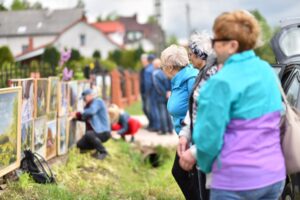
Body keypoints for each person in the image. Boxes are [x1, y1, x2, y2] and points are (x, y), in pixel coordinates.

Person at [181, 10, 286, 200]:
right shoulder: (266, 71)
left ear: (232, 45)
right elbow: (280, 114)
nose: (213, 47)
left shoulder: (221, 82)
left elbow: (209, 138)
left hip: (236, 181)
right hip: (273, 176)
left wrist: (196, 159)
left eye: (216, 42)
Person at [177, 32, 217, 200]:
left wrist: (196, 150)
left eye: (191, 54)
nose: (189, 57)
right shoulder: (203, 72)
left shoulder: (211, 75)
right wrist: (186, 134)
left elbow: (213, 117)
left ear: (201, 54)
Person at [160, 44, 199, 199]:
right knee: (184, 174)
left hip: (195, 138)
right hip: (185, 137)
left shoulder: (191, 79)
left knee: (183, 174)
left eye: (162, 66)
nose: (162, 69)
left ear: (169, 67)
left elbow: (199, 108)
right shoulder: (179, 79)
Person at [70, 89, 111, 160]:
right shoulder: (88, 106)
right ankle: (96, 150)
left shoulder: (98, 102)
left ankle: (103, 152)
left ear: (89, 96)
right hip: (94, 133)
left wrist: (77, 114)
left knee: (89, 134)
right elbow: (84, 117)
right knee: (79, 145)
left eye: (84, 98)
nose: (84, 100)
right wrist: (75, 117)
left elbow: (91, 111)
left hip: (102, 132)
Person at [152, 58, 173, 135]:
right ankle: (170, 129)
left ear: (155, 65)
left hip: (161, 95)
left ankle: (164, 130)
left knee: (162, 113)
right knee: (168, 113)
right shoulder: (166, 72)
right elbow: (171, 81)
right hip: (169, 94)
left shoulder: (155, 73)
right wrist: (170, 92)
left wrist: (164, 93)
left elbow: (157, 86)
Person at [144, 54, 160, 132]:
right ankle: (159, 125)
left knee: (153, 108)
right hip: (158, 90)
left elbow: (148, 83)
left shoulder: (148, 69)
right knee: (158, 108)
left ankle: (155, 126)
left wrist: (147, 92)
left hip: (151, 91)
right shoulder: (157, 68)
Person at [139, 54, 149, 121]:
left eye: (144, 60)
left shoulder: (148, 69)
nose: (143, 61)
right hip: (143, 92)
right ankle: (150, 122)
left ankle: (152, 123)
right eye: (142, 60)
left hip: (148, 92)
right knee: (144, 108)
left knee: (148, 108)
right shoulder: (142, 70)